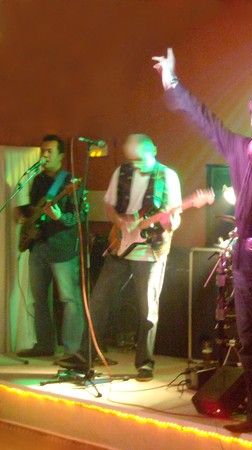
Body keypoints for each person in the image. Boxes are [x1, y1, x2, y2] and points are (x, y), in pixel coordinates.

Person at [152, 48, 252, 448]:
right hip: (245, 257)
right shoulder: (237, 146)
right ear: (251, 116)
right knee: (250, 340)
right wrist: (172, 82)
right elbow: (203, 118)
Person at [59, 134, 181, 382]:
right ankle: (85, 356)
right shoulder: (122, 172)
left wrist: (169, 223)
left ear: (153, 150)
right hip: (120, 246)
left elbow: (175, 215)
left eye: (141, 158)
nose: (136, 163)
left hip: (150, 250)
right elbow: (109, 205)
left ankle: (144, 363)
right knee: (98, 301)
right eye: (133, 158)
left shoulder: (167, 176)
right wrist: (119, 222)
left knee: (147, 309)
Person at [17, 134, 85, 358]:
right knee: (39, 299)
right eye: (42, 151)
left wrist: (59, 217)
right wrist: (26, 219)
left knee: (69, 299)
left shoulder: (70, 182)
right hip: (38, 247)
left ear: (61, 155)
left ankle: (72, 351)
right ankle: (44, 345)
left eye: (49, 151)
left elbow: (79, 216)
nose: (44, 155)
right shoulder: (37, 180)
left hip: (62, 248)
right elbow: (35, 211)